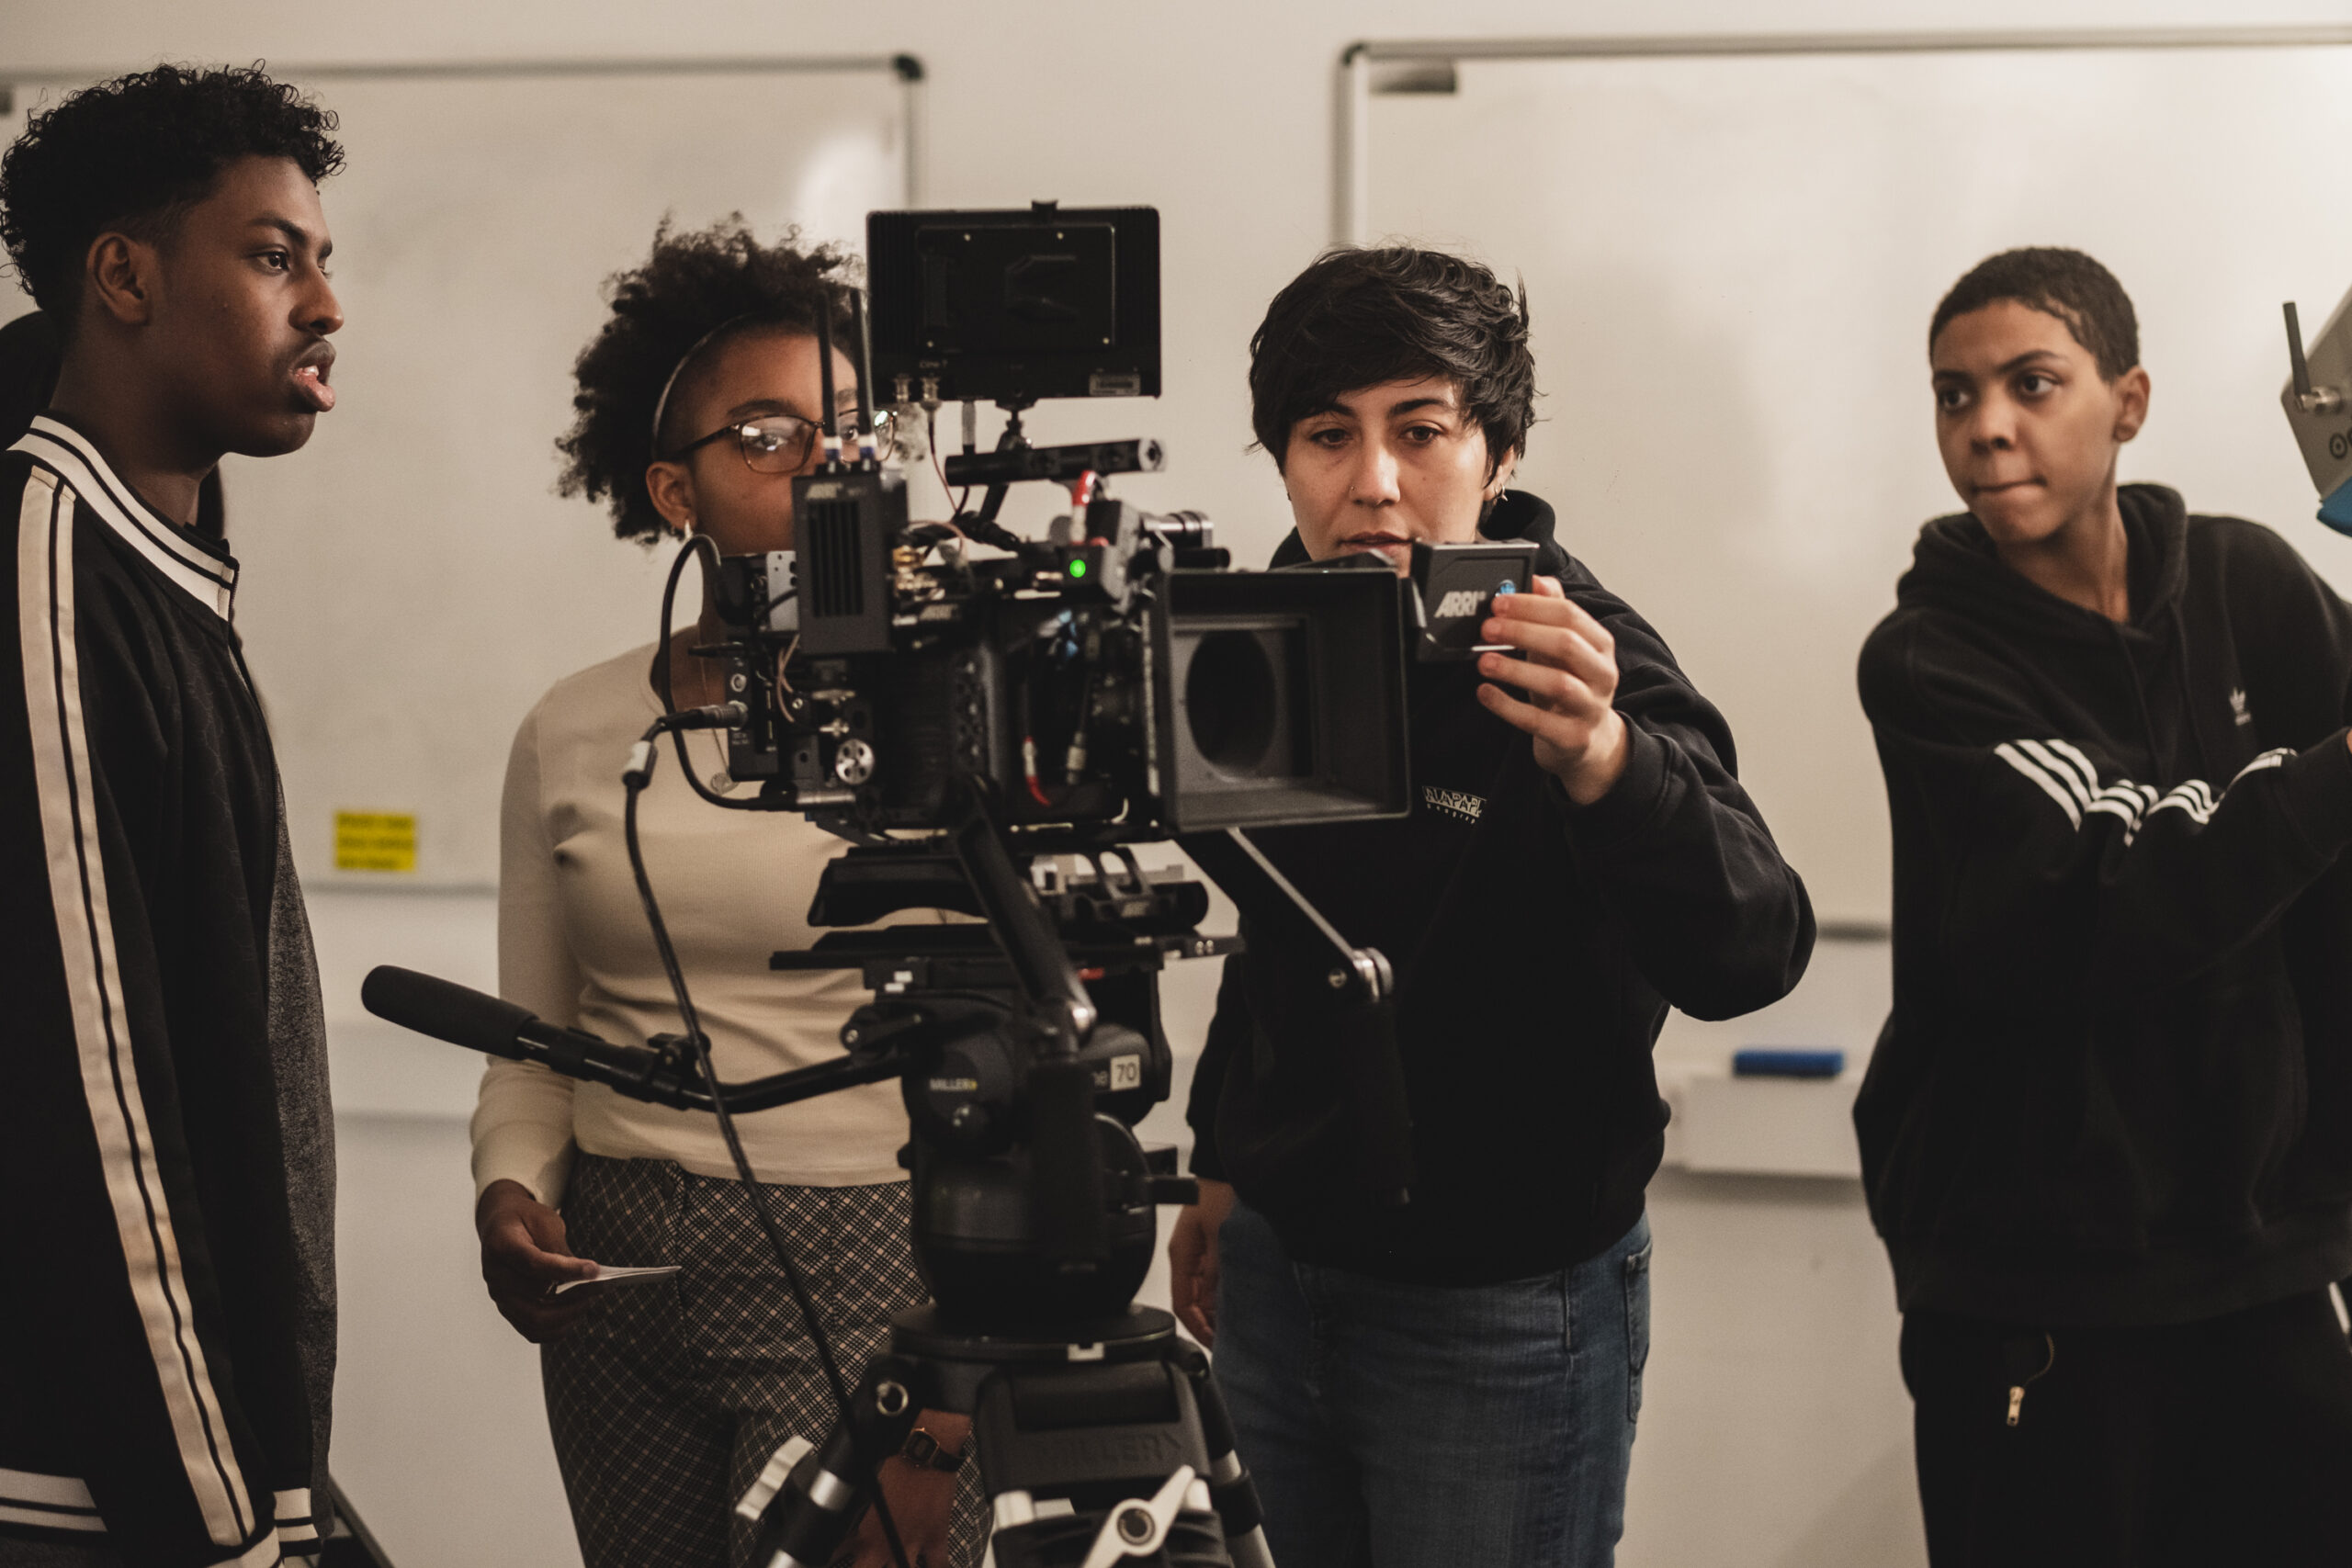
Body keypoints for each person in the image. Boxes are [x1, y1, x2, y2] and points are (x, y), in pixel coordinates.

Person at [1166, 246, 1816, 1567]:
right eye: (1326, 436)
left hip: (1505, 1307)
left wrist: (1606, 763)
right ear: (1280, 459)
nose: (1374, 484)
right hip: (1283, 1270)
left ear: (1498, 452)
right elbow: (1283, 928)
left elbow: (1756, 948)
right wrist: (1222, 1161)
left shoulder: (1582, 655)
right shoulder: (1267, 635)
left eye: (1422, 431)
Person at [467, 219, 981, 1568]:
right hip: (616, 1267)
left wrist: (944, 1422)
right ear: (672, 493)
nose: (823, 469)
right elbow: (533, 1044)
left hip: (879, 1260)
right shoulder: (575, 730)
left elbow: (1031, 1085)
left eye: (850, 430)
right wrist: (508, 1195)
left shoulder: (958, 719)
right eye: (766, 436)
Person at [1855, 247, 2352, 1566]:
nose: (1988, 426)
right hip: (2037, 1290)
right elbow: (2107, 896)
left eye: (2032, 384)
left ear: (2127, 403)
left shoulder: (2253, 585)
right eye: (1954, 395)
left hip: (2266, 1268)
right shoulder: (1929, 659)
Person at [0, 65, 345, 1566]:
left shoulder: (156, 564)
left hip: (201, 1473)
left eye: (325, 259)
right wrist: (224, 1520)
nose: (326, 303)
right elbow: (92, 1105)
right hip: (101, 1500)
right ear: (124, 276)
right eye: (275, 255)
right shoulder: (48, 567)